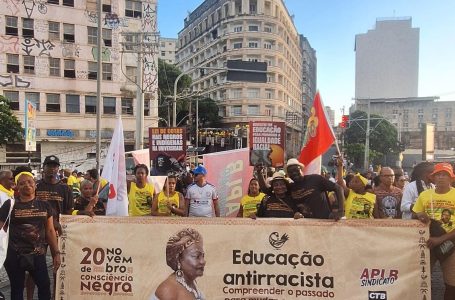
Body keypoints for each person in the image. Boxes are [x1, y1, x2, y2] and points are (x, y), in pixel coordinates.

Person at [0, 171, 61, 300]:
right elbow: (1, 229)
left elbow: (50, 231)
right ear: (16, 186)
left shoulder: (44, 206)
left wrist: (56, 253)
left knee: (44, 286)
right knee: (17, 288)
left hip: (37, 255)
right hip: (14, 255)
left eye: (29, 182)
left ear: (35, 184)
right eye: (21, 183)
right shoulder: (9, 205)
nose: (26, 185)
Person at [413, 163, 455, 299]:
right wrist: (419, 215)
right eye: (438, 175)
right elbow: (415, 214)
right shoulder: (424, 195)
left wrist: (440, 240)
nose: (441, 177)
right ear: (433, 178)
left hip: (450, 244)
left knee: (451, 284)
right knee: (421, 281)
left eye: (445, 175)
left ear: (451, 178)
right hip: (427, 244)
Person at [263, 158, 344, 220]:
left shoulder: (315, 179)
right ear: (288, 175)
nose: (294, 173)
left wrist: (340, 211)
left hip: (324, 222)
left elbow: (338, 188)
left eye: (296, 170)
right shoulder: (290, 187)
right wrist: (260, 173)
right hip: (305, 225)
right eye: (290, 172)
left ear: (301, 170)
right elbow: (267, 191)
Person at [152, 228, 206, 300]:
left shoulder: (190, 283)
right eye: (196, 256)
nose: (203, 261)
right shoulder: (168, 290)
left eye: (203, 256)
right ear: (179, 259)